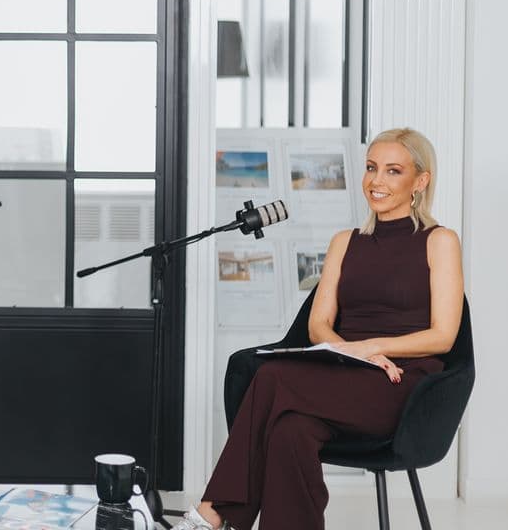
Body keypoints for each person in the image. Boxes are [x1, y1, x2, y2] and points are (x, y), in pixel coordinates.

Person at [172, 128, 464, 530]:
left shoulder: (439, 241)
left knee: (271, 374)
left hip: (402, 385)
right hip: (344, 373)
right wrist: (351, 351)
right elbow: (318, 325)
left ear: (420, 180)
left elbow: (443, 336)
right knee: (290, 432)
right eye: (371, 168)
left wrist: (372, 348)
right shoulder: (345, 241)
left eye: (393, 171)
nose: (376, 181)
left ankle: (213, 514)